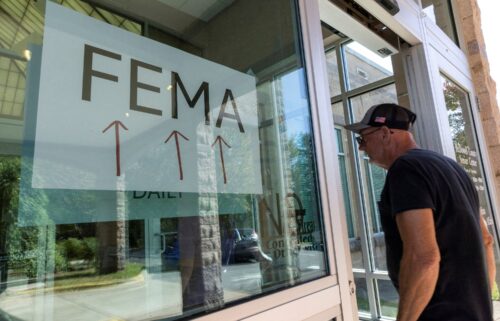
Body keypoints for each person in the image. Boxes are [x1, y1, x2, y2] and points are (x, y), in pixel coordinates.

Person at [344, 103, 495, 321]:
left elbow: (423, 257)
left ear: (385, 133)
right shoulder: (452, 167)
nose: (361, 147)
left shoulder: (405, 169)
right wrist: (482, 303)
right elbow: (486, 240)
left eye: (363, 138)